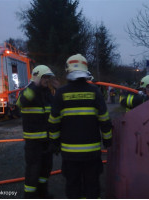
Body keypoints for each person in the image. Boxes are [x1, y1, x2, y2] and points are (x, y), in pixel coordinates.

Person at [48, 54, 112, 199]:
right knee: (92, 185)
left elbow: (53, 122)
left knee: (73, 185)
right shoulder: (95, 92)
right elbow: (105, 120)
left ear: (68, 70)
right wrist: (108, 140)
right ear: (86, 69)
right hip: (92, 152)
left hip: (69, 153)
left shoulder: (61, 93)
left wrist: (54, 142)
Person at [16, 65, 59, 199]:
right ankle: (29, 196)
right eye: (45, 77)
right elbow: (20, 102)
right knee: (33, 171)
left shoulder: (47, 93)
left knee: (46, 169)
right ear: (38, 76)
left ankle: (42, 193)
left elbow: (56, 110)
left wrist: (59, 90)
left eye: (48, 78)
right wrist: (34, 85)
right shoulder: (29, 91)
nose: (47, 80)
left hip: (47, 141)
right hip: (33, 142)